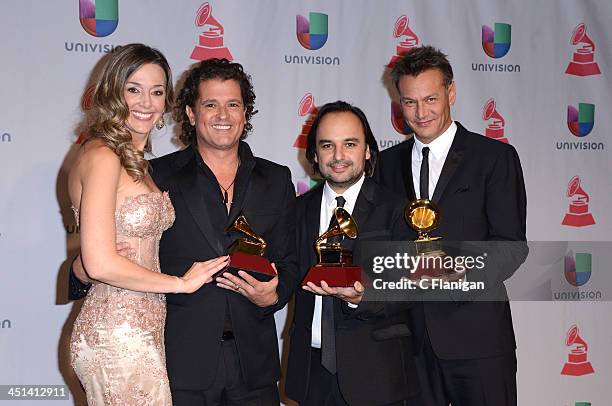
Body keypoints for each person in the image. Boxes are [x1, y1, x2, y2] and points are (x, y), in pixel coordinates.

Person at [72, 58, 299, 405]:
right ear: (191, 114)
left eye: (233, 104)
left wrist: (275, 294)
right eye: (210, 104)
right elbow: (97, 255)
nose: (222, 114)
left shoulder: (278, 179)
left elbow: (289, 259)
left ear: (245, 113)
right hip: (180, 361)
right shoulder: (153, 176)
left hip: (255, 365)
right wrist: (81, 268)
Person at [68, 43, 229, 406]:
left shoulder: (138, 164)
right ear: (113, 92)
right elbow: (99, 263)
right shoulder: (102, 155)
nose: (146, 102)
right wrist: (181, 283)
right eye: (133, 89)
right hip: (117, 333)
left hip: (143, 329)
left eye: (157, 91)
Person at [376, 46, 528, 406]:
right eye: (409, 102)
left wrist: (457, 273)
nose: (420, 112)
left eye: (430, 98)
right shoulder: (385, 165)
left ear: (451, 93)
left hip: (478, 342)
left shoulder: (493, 158)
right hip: (409, 343)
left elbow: (511, 245)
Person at [284, 101, 419, 406]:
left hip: (377, 374)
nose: (339, 156)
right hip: (311, 372)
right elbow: (289, 270)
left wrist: (364, 297)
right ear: (315, 155)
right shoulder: (298, 210)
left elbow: (413, 286)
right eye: (327, 145)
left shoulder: (397, 209)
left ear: (368, 151)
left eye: (350, 144)